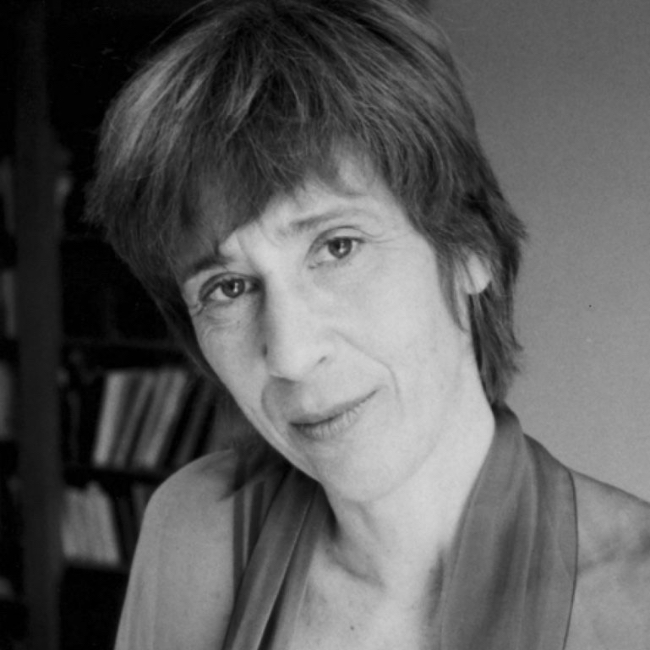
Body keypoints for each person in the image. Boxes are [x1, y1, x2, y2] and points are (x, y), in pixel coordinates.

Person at [87, 0, 650, 648]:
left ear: (471, 249)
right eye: (229, 288)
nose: (291, 355)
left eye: (337, 246)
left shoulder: (635, 605)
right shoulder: (192, 528)